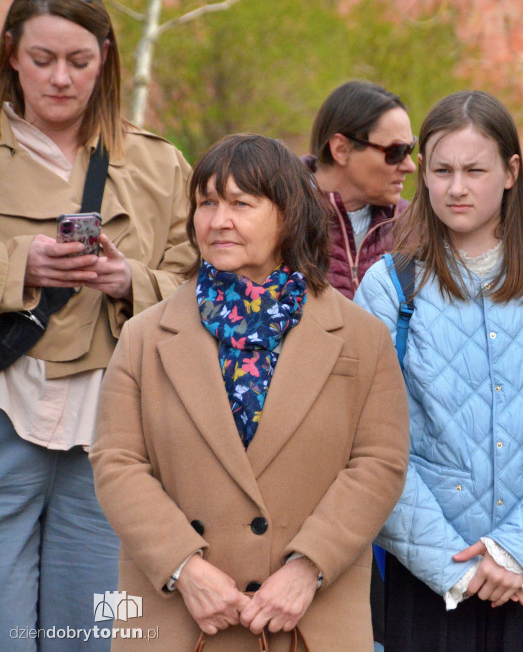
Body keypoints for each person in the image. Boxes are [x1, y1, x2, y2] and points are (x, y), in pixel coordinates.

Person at [89, 134, 410, 650]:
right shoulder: (144, 336)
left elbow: (380, 462)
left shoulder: (360, 337)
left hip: (308, 618)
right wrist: (184, 568)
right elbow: (117, 463)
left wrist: (308, 567)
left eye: (241, 204)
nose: (219, 221)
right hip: (179, 618)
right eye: (206, 203)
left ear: (289, 215)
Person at [354, 90, 523, 651]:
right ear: (423, 174)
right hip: (428, 580)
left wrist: (516, 549)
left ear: (510, 172)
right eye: (442, 170)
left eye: (474, 170)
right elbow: (372, 443)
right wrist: (453, 567)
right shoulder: (388, 288)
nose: (457, 187)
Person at [0, 0, 194, 648]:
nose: (60, 78)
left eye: (79, 61)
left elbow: (204, 285)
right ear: (11, 54)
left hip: (114, 430)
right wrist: (18, 266)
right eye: (42, 59)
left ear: (106, 58)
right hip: (6, 405)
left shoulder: (160, 165)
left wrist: (130, 280)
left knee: (92, 633)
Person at [306, 80, 415, 299]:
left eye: (410, 149)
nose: (410, 166)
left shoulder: (416, 228)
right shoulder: (277, 221)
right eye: (396, 151)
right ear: (341, 149)